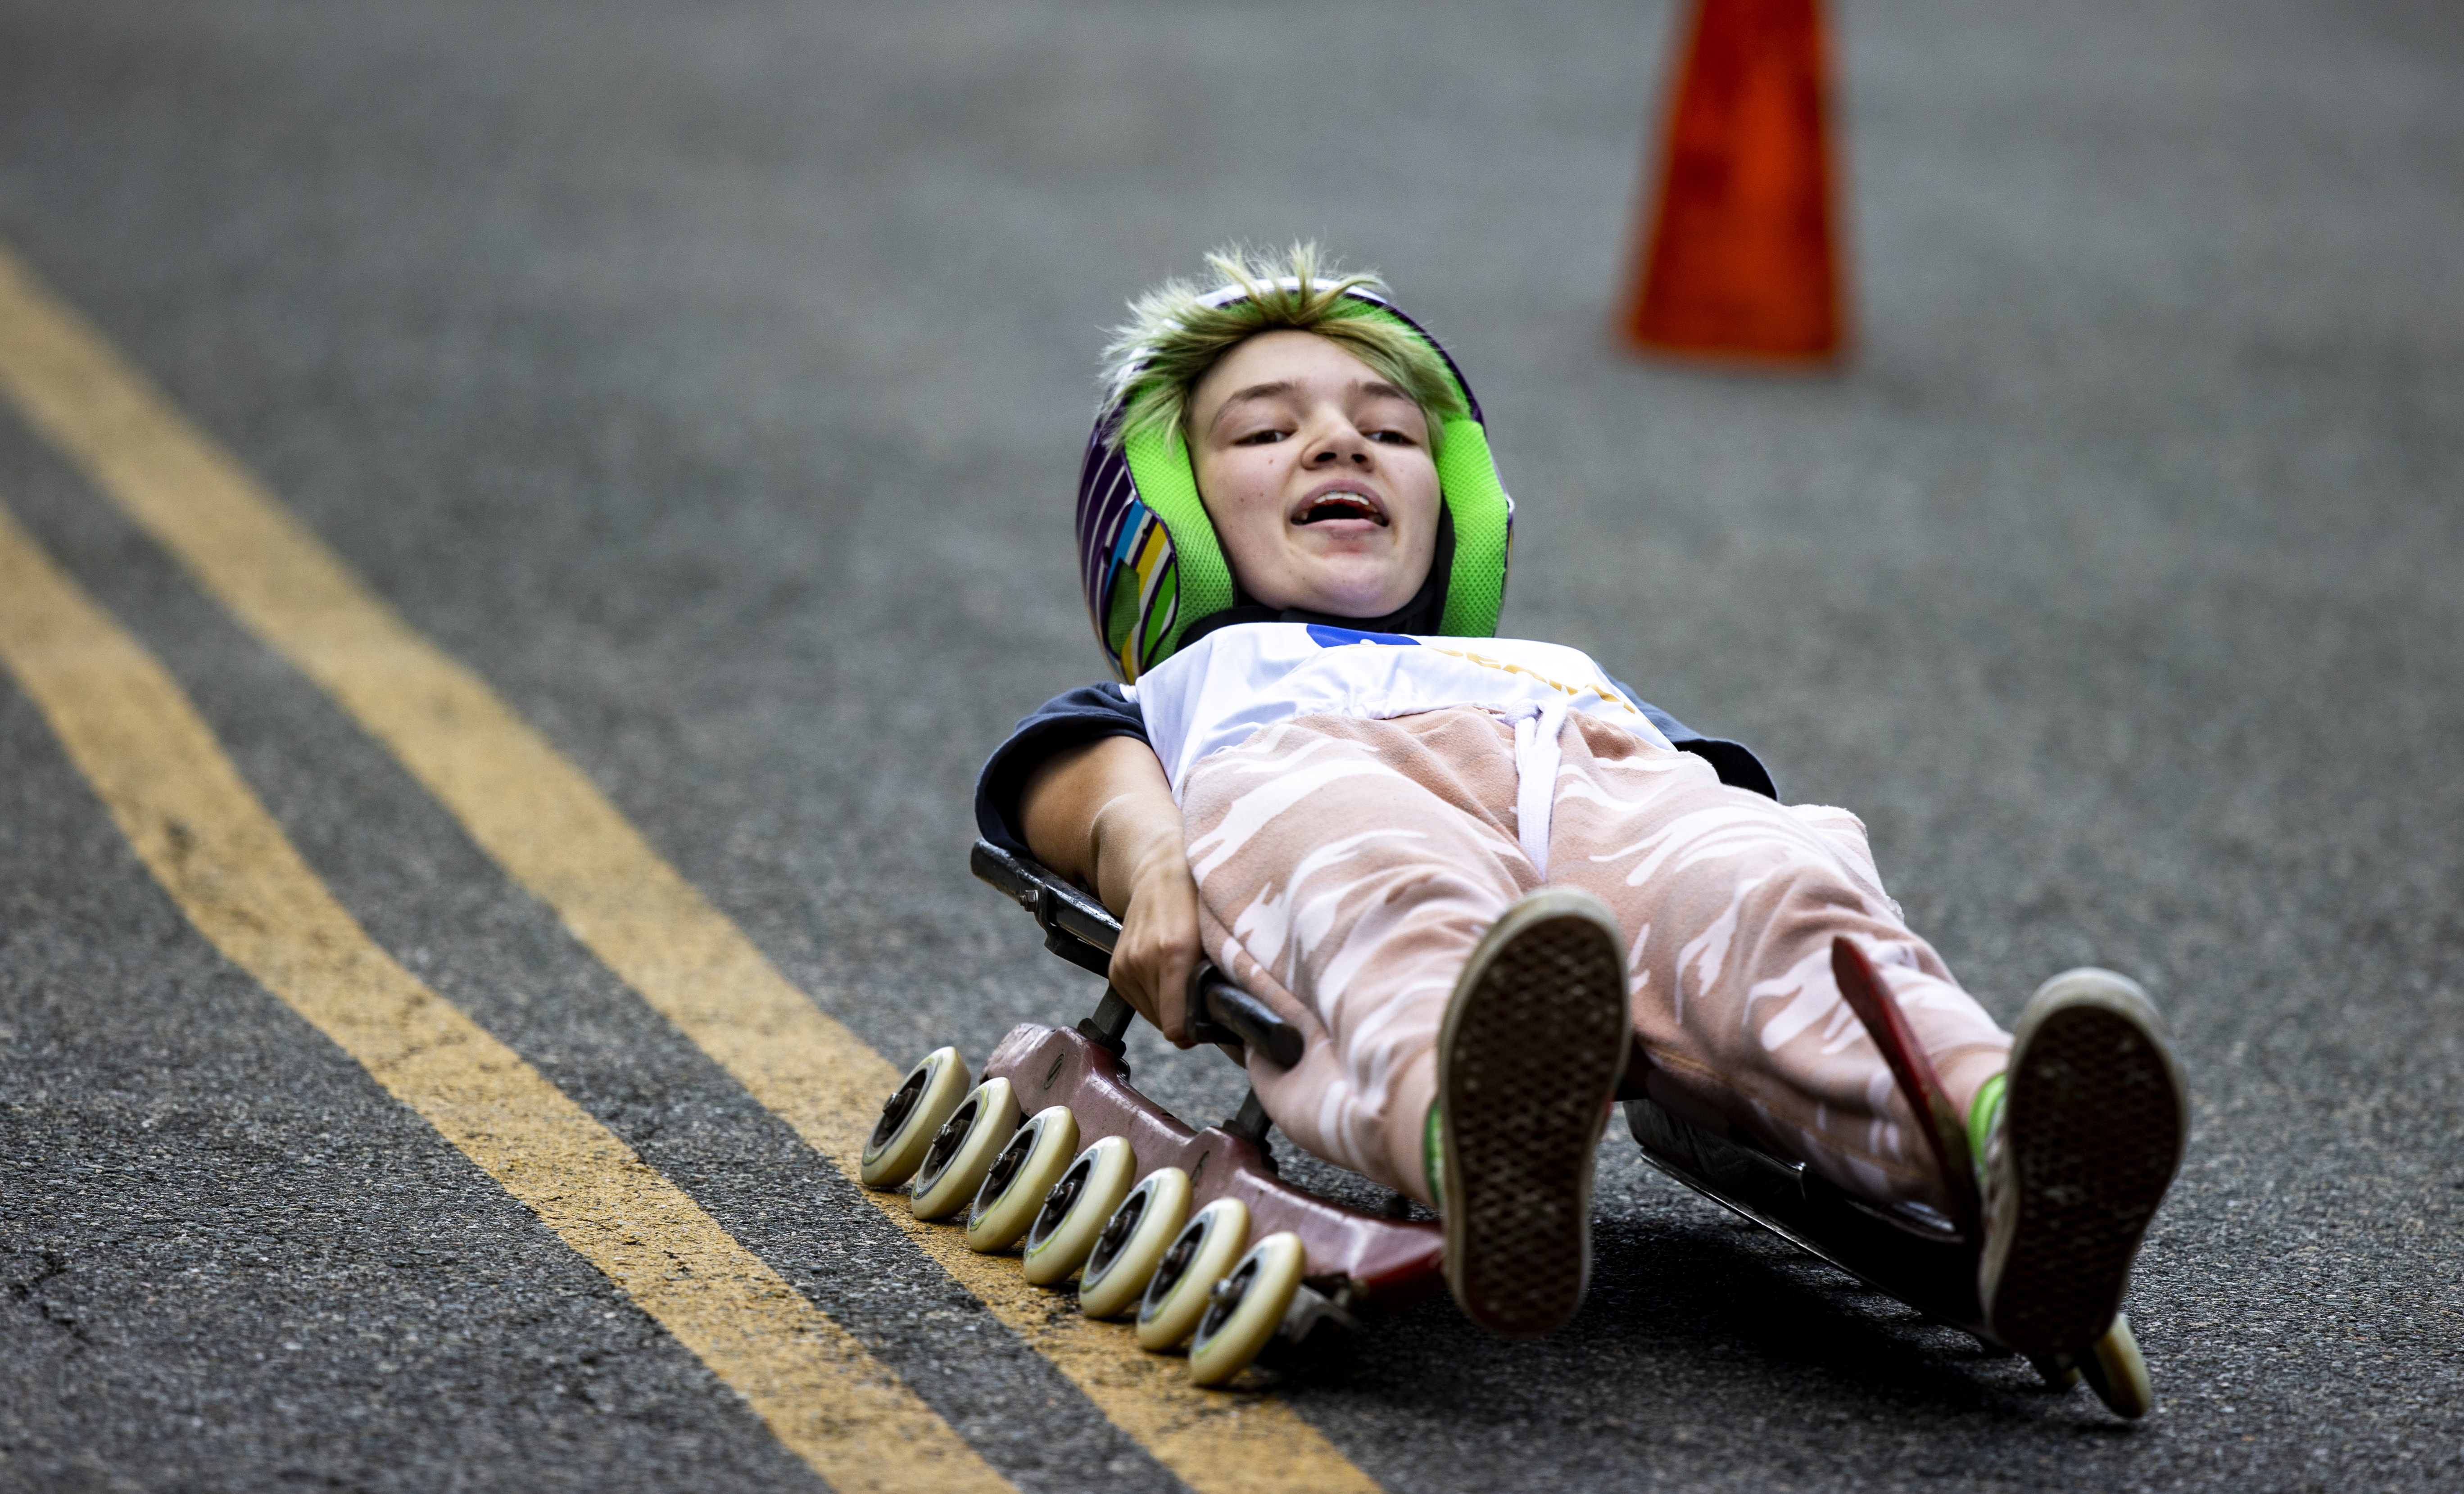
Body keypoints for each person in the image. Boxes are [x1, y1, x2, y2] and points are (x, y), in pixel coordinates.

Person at [974, 245, 2187, 1354]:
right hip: (1314, 779)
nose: (1342, 446)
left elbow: (1701, 791)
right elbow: (1075, 775)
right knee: (1382, 879)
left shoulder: (1543, 670)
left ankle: (1995, 1134)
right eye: (1264, 433)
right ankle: (1478, 1125)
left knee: (1770, 891)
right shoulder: (1201, 686)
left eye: (1392, 433)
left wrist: (1753, 861)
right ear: (1163, 518)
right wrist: (1150, 861)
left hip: (1588, 783)